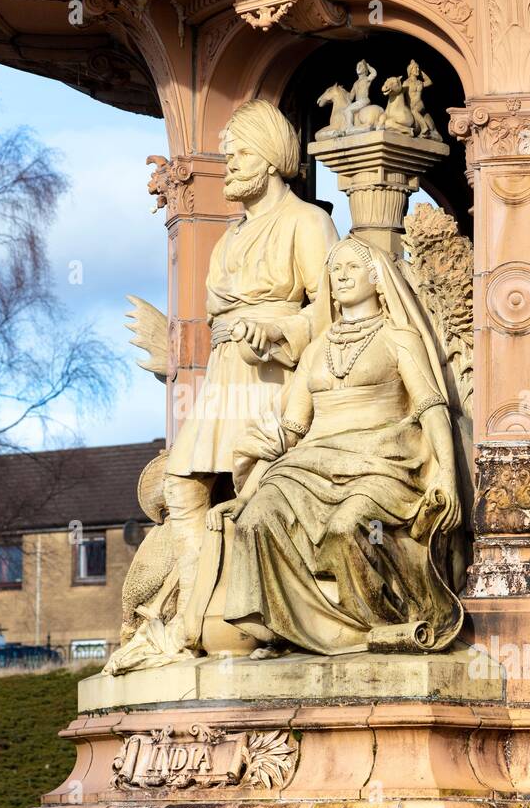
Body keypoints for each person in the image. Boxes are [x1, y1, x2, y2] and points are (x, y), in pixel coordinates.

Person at [206, 236, 464, 654]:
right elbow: (291, 430)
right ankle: (290, 631)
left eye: (351, 267)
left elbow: (433, 409)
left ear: (377, 278)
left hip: (382, 465)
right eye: (335, 269)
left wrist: (448, 478)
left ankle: (378, 628)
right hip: (310, 464)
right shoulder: (315, 350)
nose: (340, 275)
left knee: (348, 527)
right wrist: (248, 492)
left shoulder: (399, 338)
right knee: (255, 520)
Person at [162, 99, 337, 645]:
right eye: (227, 154)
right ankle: (197, 601)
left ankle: (269, 613)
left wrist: (278, 329)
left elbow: (332, 311)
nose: (229, 164)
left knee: (254, 487)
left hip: (274, 377)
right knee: (182, 484)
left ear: (267, 159)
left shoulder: (308, 222)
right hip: (225, 376)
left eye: (238, 154)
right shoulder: (229, 237)